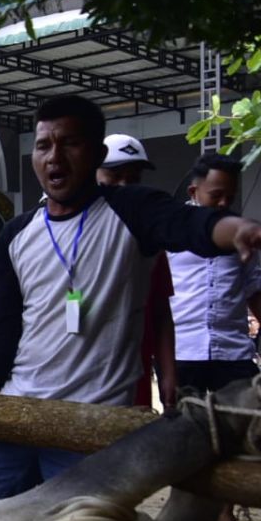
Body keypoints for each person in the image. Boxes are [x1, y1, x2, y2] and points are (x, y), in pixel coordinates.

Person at [0, 96, 261, 521]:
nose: (54, 156)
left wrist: (240, 230)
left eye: (68, 143)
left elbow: (189, 224)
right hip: (17, 413)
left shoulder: (130, 210)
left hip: (89, 424)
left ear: (94, 153)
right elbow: (2, 333)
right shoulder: (16, 234)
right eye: (43, 145)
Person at [168, 152, 261, 521]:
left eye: (229, 198)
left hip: (233, 351)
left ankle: (226, 513)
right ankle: (181, 512)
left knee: (237, 434)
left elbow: (254, 290)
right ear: (193, 191)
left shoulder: (241, 236)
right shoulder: (170, 231)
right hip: (182, 350)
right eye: (216, 196)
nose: (223, 205)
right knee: (186, 434)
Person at [97, 133, 178, 410]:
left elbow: (160, 312)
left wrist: (168, 373)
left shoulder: (148, 242)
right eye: (115, 175)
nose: (125, 186)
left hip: (133, 381)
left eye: (133, 178)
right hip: (71, 383)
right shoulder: (57, 233)